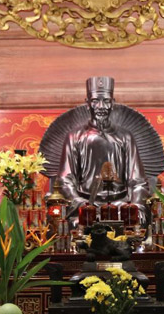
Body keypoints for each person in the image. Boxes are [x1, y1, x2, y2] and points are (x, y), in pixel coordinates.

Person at [57, 77, 149, 224]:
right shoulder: (75, 137)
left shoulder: (125, 137)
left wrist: (136, 205)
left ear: (112, 103)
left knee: (132, 226)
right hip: (85, 207)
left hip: (121, 206)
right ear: (87, 103)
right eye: (95, 101)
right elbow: (65, 180)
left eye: (106, 101)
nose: (101, 106)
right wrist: (80, 203)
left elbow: (138, 181)